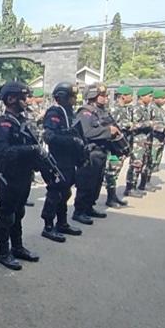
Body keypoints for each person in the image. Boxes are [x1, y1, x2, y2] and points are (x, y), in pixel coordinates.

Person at [0, 81, 41, 270]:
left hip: (24, 174)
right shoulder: (2, 123)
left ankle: (17, 247)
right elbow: (3, 151)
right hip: (9, 176)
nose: (26, 101)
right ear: (11, 99)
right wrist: (30, 150)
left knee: (19, 212)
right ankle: (4, 252)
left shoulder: (23, 121)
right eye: (23, 97)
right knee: (6, 214)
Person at [40, 82, 84, 243]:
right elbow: (49, 136)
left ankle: (62, 222)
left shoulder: (70, 113)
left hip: (69, 159)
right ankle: (48, 226)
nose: (74, 99)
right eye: (71, 96)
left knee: (65, 192)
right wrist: (71, 140)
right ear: (62, 97)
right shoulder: (55, 112)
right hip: (57, 159)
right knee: (55, 192)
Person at [72, 84, 116, 224]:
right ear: (92, 96)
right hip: (90, 153)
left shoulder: (101, 112)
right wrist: (108, 131)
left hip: (101, 151)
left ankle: (89, 207)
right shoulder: (85, 112)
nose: (105, 98)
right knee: (86, 183)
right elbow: (87, 132)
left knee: (96, 183)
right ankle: (79, 211)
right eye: (101, 95)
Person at [104, 86, 132, 208]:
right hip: (113, 145)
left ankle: (114, 196)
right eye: (130, 95)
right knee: (111, 172)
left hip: (121, 144)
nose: (131, 97)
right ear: (123, 96)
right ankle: (110, 198)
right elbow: (112, 125)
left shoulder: (124, 109)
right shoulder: (114, 109)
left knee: (116, 171)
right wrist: (129, 125)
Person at [124, 87, 155, 198]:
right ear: (142, 96)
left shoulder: (146, 108)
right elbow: (132, 125)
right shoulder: (136, 108)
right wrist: (148, 123)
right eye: (149, 96)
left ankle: (136, 186)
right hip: (137, 141)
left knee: (143, 163)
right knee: (135, 164)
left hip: (145, 140)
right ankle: (130, 188)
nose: (151, 98)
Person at [142, 89, 165, 191]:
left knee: (154, 161)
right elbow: (149, 123)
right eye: (162, 98)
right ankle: (144, 182)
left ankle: (147, 181)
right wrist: (162, 128)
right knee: (149, 161)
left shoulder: (160, 109)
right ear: (156, 98)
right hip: (153, 138)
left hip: (160, 139)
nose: (164, 100)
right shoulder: (151, 108)